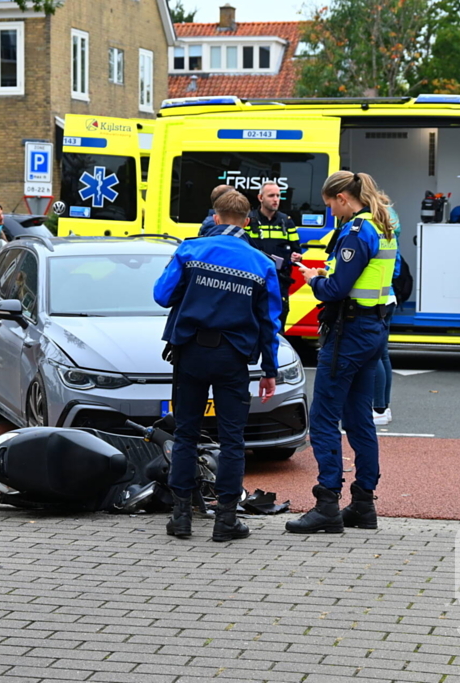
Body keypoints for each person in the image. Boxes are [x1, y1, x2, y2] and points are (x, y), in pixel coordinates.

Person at [154, 190, 280, 542]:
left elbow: (162, 295)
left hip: (190, 354)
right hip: (233, 359)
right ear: (247, 221)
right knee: (232, 440)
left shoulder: (190, 250)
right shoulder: (262, 264)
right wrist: (269, 370)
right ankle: (225, 520)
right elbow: (270, 323)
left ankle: (181, 518)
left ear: (217, 217)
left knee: (186, 434)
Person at [287, 171, 397, 534]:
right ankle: (363, 504)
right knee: (358, 419)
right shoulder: (381, 225)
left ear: (344, 199)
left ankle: (327, 504)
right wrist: (323, 270)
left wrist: (312, 279)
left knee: (322, 418)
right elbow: (357, 277)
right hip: (373, 330)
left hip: (349, 332)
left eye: (331, 204)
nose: (331, 211)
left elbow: (334, 289)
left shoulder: (355, 231)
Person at [247, 182, 302, 331]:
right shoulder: (249, 221)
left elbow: (297, 250)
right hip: (255, 280)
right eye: (271, 195)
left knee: (278, 325)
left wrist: (296, 257)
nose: (276, 199)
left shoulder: (287, 221)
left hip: (280, 281)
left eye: (278, 195)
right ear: (260, 197)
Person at [373, 206, 401, 427]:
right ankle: (384, 406)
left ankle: (379, 408)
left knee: (375, 356)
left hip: (377, 299)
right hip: (388, 296)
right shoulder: (391, 236)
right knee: (383, 355)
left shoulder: (371, 233)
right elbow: (397, 271)